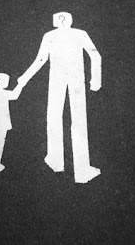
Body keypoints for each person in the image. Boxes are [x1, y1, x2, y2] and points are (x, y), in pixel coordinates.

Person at [18, 12, 102, 183]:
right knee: (73, 118)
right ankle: (75, 167)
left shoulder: (51, 35)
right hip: (73, 78)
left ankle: (58, 161)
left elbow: (40, 60)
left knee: (57, 116)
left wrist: (24, 78)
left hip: (60, 79)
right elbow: (95, 55)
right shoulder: (78, 34)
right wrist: (95, 80)